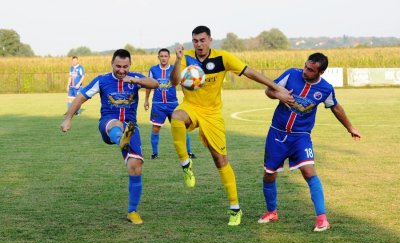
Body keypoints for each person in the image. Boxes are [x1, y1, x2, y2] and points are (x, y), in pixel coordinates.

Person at [169, 25, 294, 226]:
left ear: (210, 40)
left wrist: (275, 86)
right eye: (195, 41)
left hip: (212, 114)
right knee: (176, 117)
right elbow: (174, 81)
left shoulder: (223, 57)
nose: (199, 44)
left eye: (202, 40)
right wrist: (177, 60)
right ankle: (186, 164)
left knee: (220, 160)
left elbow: (250, 72)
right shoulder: (186, 57)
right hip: (190, 107)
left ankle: (235, 208)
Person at [258, 52, 362, 231]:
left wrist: (350, 127)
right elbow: (269, 90)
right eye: (305, 66)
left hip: (301, 136)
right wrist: (279, 96)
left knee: (309, 172)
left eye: (311, 70)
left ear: (320, 72)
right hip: (277, 134)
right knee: (269, 174)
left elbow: (335, 107)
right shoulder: (291, 74)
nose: (305, 71)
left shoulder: (325, 89)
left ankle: (322, 219)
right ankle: (272, 212)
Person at [60, 49, 158, 225]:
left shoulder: (135, 78)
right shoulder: (102, 80)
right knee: (116, 125)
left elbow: (155, 83)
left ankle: (132, 211)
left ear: (130, 65)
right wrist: (68, 119)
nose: (122, 70)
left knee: (135, 167)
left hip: (131, 126)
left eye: (125, 66)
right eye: (118, 66)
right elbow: (80, 98)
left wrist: (136, 80)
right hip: (108, 124)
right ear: (112, 64)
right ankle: (121, 139)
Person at [144, 48, 196, 160]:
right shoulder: (153, 69)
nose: (163, 58)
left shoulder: (174, 69)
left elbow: (182, 84)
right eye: (161, 56)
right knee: (156, 128)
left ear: (169, 57)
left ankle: (189, 152)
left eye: (165, 56)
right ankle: (154, 153)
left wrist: (188, 97)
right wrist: (146, 100)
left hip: (173, 104)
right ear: (158, 57)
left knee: (182, 127)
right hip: (158, 104)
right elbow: (148, 85)